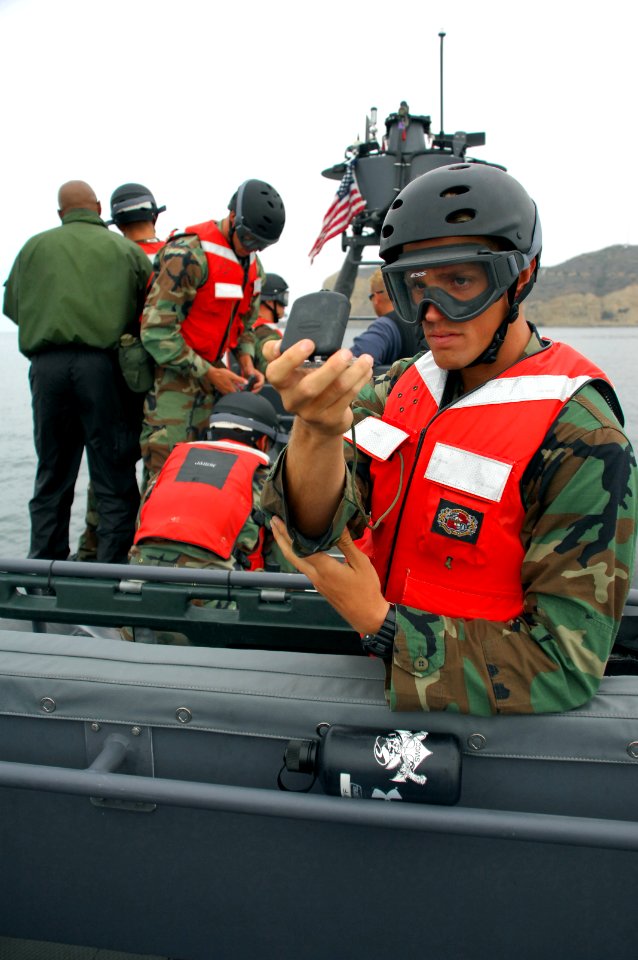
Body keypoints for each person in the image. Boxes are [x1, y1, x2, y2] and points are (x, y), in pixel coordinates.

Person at [261, 162, 638, 716]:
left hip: (480, 724)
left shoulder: (583, 437)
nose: (433, 315)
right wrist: (315, 431)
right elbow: (312, 525)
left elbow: (563, 665)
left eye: (461, 282)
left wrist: (382, 625)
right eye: (416, 288)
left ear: (521, 276)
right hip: (367, 685)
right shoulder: (394, 389)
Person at [3, 180, 152, 563]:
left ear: (60, 213)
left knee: (52, 473)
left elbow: (13, 306)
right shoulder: (124, 250)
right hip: (103, 370)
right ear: (99, 208)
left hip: (46, 369)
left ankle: (43, 570)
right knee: (113, 474)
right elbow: (146, 311)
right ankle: (111, 574)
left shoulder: (32, 248)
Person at [139, 179, 285, 483]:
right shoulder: (188, 253)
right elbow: (156, 330)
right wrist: (208, 372)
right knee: (163, 476)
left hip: (214, 389)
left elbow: (244, 325)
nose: (251, 247)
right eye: (246, 238)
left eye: (260, 244)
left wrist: (246, 362)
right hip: (173, 385)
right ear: (232, 217)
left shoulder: (254, 267)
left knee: (202, 475)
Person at [126, 391, 293, 643]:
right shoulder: (267, 479)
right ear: (261, 442)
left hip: (137, 601)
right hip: (213, 612)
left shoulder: (168, 468)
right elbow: (286, 562)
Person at [76, 182, 167, 562]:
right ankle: (146, 560)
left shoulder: (106, 261)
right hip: (165, 391)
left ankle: (91, 558)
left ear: (116, 222)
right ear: (154, 215)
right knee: (159, 480)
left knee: (106, 480)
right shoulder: (170, 256)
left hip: (109, 386)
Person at [350, 267, 426, 365]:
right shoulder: (425, 318)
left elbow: (356, 362)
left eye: (371, 297)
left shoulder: (385, 326)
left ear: (376, 297)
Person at [252, 272, 288, 373]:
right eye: (284, 298)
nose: (285, 306)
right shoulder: (264, 332)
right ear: (269, 301)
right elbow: (279, 369)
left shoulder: (248, 327)